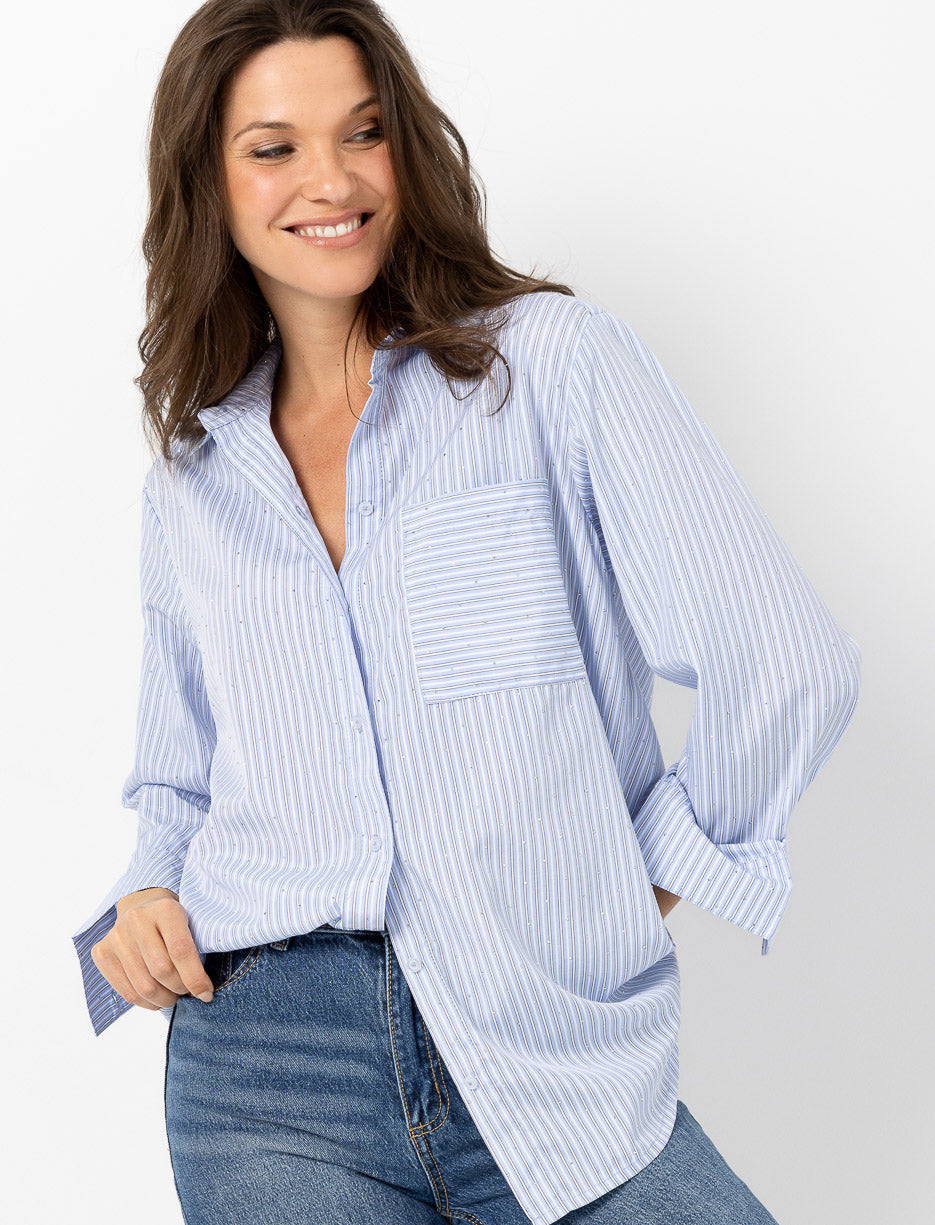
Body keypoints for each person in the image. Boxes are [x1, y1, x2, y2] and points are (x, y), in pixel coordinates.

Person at [70, 2, 861, 1222]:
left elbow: (786, 658)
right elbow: (179, 781)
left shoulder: (550, 366)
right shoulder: (195, 472)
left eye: (363, 132)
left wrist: (650, 870)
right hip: (265, 1067)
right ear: (207, 187)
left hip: (542, 1034)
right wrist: (145, 892)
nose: (331, 180)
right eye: (273, 148)